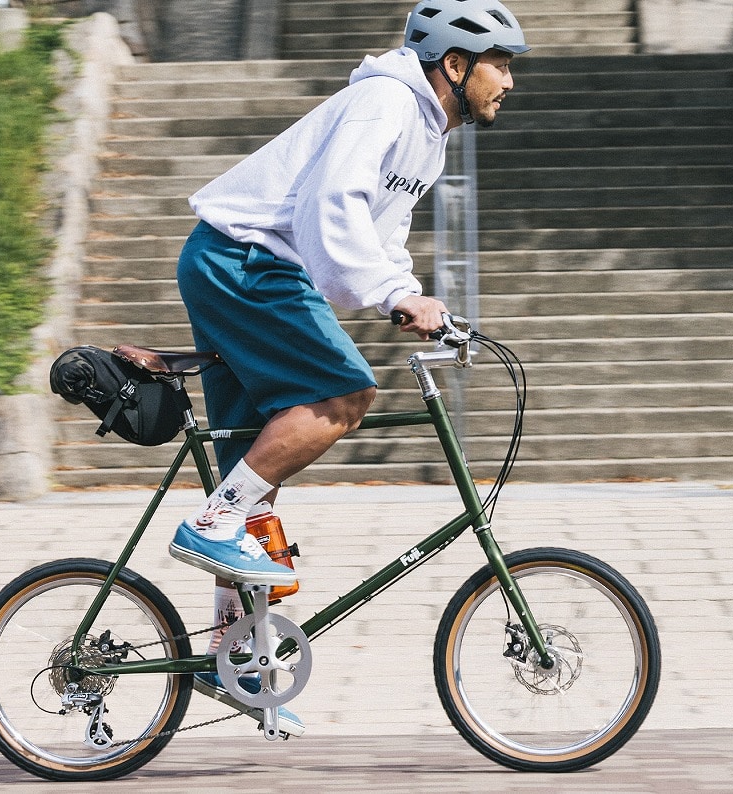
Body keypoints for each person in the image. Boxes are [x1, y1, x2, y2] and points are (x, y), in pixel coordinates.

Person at [166, 0, 530, 736]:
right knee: (343, 395)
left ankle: (228, 658)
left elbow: (378, 233)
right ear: (454, 66)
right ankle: (211, 520)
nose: (510, 82)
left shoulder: (428, 131)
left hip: (250, 266)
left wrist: (416, 295)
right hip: (245, 261)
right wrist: (394, 295)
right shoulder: (386, 102)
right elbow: (331, 209)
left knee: (256, 475)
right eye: (501, 63)